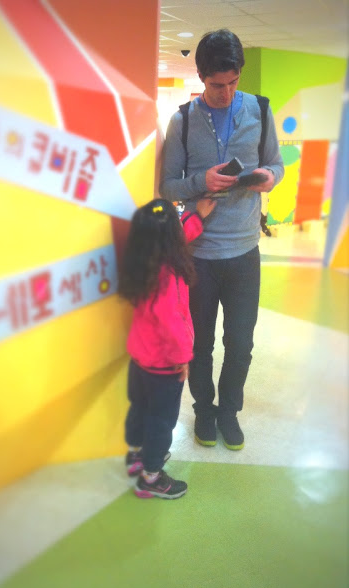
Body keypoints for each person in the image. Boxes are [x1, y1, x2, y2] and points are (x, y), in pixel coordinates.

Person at [159, 29, 284, 451]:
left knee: (241, 343)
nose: (226, 93)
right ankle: (204, 410)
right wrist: (202, 181)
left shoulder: (260, 110)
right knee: (200, 344)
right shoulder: (182, 121)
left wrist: (268, 177)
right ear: (201, 77)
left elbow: (276, 165)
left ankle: (229, 411)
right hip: (199, 254)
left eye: (233, 82)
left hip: (245, 251)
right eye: (217, 85)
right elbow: (168, 186)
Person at [118, 197, 215, 499]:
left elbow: (171, 236)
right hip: (164, 365)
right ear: (173, 234)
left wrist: (197, 218)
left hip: (140, 359)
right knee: (161, 422)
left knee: (139, 408)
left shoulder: (142, 262)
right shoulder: (168, 275)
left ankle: (135, 457)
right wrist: (183, 359)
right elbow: (174, 322)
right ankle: (151, 477)